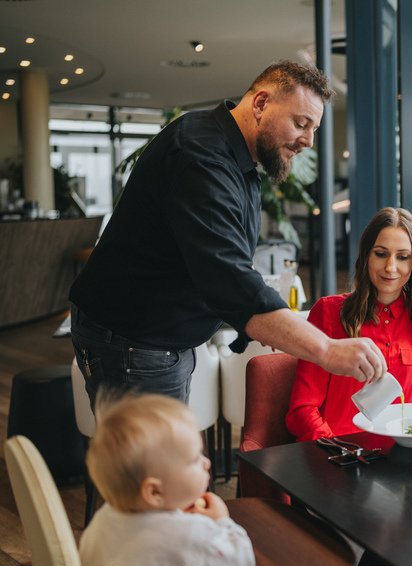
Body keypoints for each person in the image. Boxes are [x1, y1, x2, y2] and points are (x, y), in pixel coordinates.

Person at [69, 60, 386, 406]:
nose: (308, 141)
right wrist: (325, 350)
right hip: (133, 343)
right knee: (148, 461)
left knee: (169, 457)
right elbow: (229, 277)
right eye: (301, 123)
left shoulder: (237, 156)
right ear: (261, 103)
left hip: (158, 340)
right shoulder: (200, 155)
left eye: (314, 128)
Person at [285, 206, 412, 441]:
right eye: (381, 254)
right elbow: (302, 410)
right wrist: (337, 450)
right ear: (366, 255)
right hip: (335, 456)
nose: (390, 267)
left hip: (399, 458)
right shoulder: (328, 312)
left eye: (402, 257)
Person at [79, 393, 255, 566]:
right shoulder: (189, 533)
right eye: (193, 459)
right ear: (154, 492)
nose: (206, 463)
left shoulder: (105, 517)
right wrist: (222, 520)